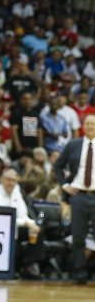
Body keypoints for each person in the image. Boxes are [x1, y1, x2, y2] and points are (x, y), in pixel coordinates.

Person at [54, 113, 95, 284]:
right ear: (83, 126)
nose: (90, 127)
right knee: (78, 236)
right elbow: (58, 166)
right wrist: (64, 185)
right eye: (87, 124)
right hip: (78, 195)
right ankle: (79, 274)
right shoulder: (73, 145)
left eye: (93, 124)